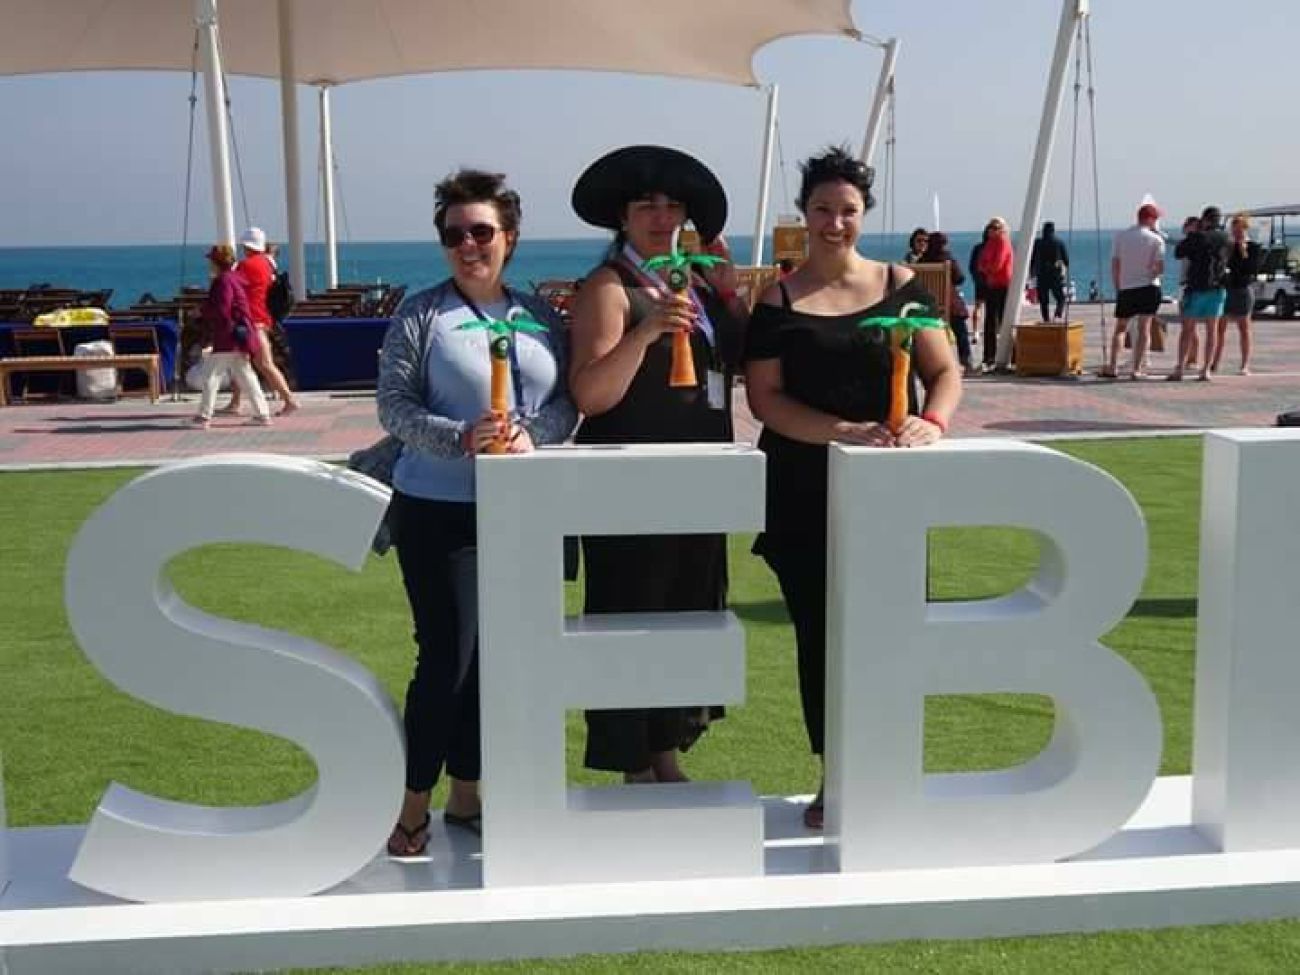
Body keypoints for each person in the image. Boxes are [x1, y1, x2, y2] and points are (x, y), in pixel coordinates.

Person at [743, 147, 961, 829]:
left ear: (864, 214)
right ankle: (835, 774)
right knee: (821, 635)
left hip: (889, 490)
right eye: (822, 209)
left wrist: (931, 422)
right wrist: (841, 431)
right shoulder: (777, 299)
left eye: (848, 210)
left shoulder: (904, 285)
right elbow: (765, 399)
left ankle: (890, 770)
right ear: (803, 214)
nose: (834, 223)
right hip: (803, 487)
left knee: (893, 631)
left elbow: (945, 372)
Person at [376, 169, 577, 856]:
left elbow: (566, 402)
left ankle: (468, 793)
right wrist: (460, 437)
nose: (468, 244)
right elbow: (393, 406)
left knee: (498, 662)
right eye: (454, 233)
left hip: (525, 511)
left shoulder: (541, 315)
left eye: (481, 231)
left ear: (509, 237)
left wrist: (533, 434)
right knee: (447, 660)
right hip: (440, 509)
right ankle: (412, 804)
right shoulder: (422, 314)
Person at [567, 144, 749, 784]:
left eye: (673, 205)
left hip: (698, 476)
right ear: (622, 215)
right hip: (629, 482)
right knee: (630, 611)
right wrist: (645, 333)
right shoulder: (609, 286)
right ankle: (632, 762)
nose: (661, 216)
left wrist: (729, 294)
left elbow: (740, 361)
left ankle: (665, 751)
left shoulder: (691, 283)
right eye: (646, 204)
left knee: (686, 611)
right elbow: (590, 394)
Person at [220, 226, 301, 416]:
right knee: (240, 361)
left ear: (247, 246)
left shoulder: (245, 266)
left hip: (251, 320)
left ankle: (289, 399)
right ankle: (235, 401)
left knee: (264, 363)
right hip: (263, 318)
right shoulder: (267, 264)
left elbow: (233, 288)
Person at [190, 244, 272, 428]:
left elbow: (223, 308)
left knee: (211, 376)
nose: (209, 264)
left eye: (211, 260)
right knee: (246, 376)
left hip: (227, 335)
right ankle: (262, 414)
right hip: (240, 335)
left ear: (216, 262)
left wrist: (201, 312)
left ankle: (204, 417)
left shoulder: (223, 281)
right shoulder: (235, 278)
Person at [1101, 203, 1165, 380]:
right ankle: (1136, 369)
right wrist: (1149, 273)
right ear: (1150, 219)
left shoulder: (1121, 236)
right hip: (1149, 287)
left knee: (1121, 328)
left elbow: (1115, 264)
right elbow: (1160, 268)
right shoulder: (1156, 239)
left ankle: (1113, 366)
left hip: (1127, 287)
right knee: (1144, 328)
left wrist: (1118, 286)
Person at [1172, 206, 1231, 381]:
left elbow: (1178, 252)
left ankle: (1180, 368)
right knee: (1212, 330)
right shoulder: (1226, 237)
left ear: (1205, 220)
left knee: (1188, 329)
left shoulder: (1198, 237)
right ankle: (1206, 370)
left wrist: (1192, 233)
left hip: (1197, 288)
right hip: (1218, 288)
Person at [1214, 212, 1263, 375]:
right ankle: (1215, 361)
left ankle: (1244, 364)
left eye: (1240, 230)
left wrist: (1243, 251)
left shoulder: (1253, 247)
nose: (1236, 233)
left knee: (1244, 328)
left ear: (1245, 229)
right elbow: (1220, 265)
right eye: (1234, 230)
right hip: (1227, 289)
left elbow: (1252, 269)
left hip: (1242, 289)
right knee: (1220, 328)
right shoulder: (1227, 247)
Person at [921, 230, 974, 374]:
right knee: (960, 329)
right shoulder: (947, 259)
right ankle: (966, 360)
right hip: (949, 305)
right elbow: (960, 279)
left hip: (927, 306)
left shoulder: (922, 261)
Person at [975, 217, 1012, 371]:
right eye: (990, 227)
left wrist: (987, 268)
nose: (992, 230)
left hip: (1003, 285)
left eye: (996, 227)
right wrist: (987, 268)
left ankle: (1009, 356)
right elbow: (980, 263)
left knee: (1004, 320)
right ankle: (989, 356)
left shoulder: (1003, 242)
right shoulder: (989, 244)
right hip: (991, 285)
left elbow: (998, 264)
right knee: (990, 321)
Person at [1029, 221, 1069, 322]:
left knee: (1044, 301)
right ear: (1053, 230)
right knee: (1061, 298)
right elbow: (1066, 260)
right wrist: (1063, 270)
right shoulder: (1059, 242)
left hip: (1041, 274)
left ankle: (1046, 319)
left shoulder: (1038, 243)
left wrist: (1031, 272)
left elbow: (1032, 259)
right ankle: (1057, 314)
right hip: (1055, 274)